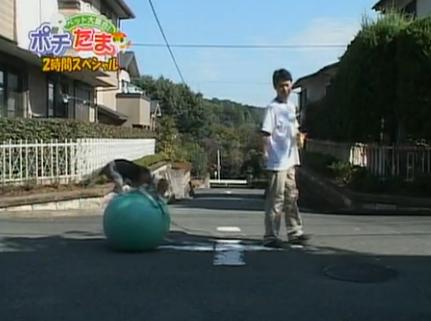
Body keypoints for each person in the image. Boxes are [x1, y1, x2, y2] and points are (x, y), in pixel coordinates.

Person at [261, 69, 310, 247]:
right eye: (281, 85)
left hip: (290, 159)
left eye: (288, 85)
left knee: (292, 197)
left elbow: (295, 130)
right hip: (276, 161)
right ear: (275, 87)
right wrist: (265, 153)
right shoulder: (272, 109)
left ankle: (295, 232)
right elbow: (266, 133)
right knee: (276, 199)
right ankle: (270, 236)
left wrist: (299, 138)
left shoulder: (291, 108)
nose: (285, 89)